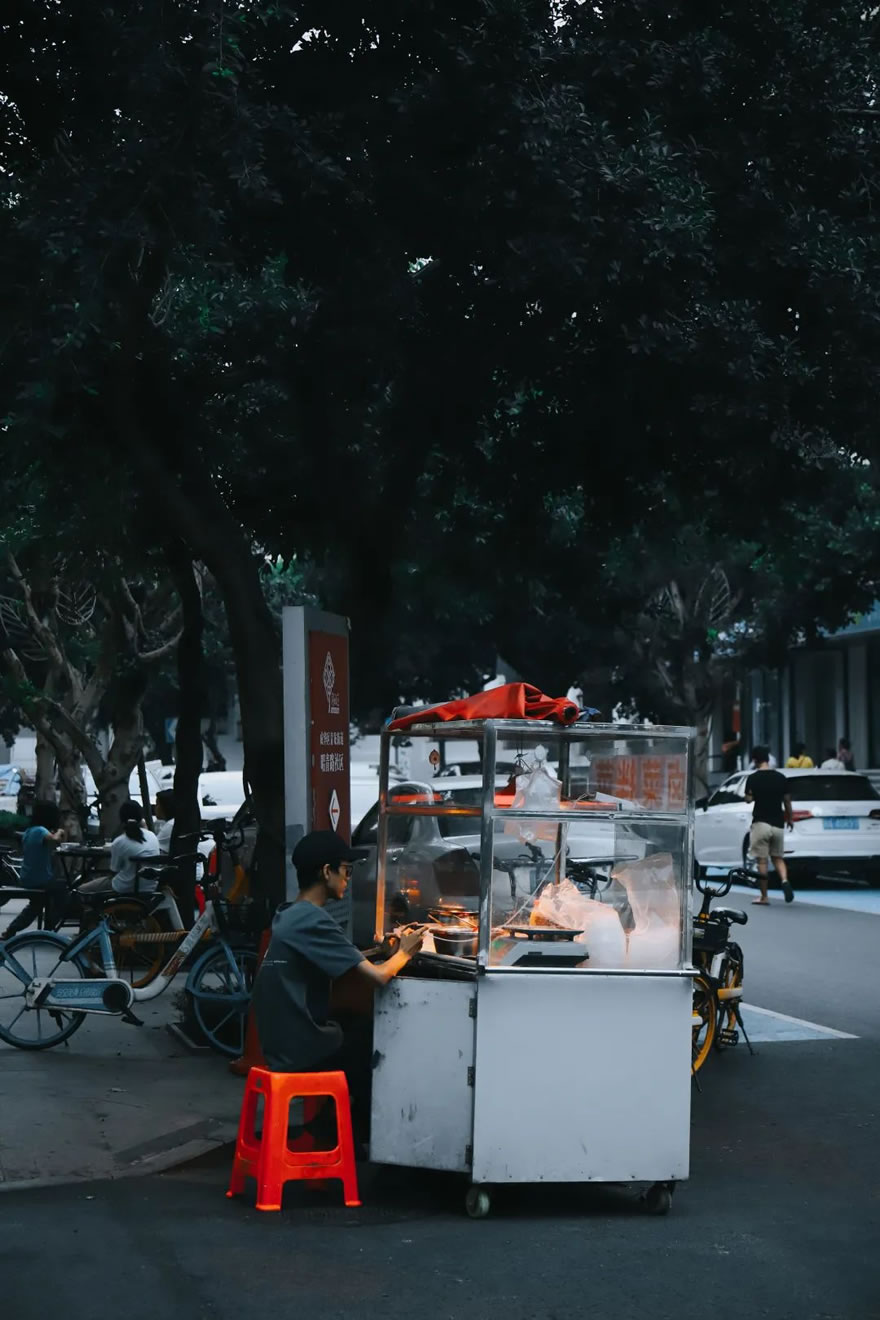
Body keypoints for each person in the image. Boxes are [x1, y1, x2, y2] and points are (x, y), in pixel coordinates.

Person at [251, 829, 425, 1139]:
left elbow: (345, 958)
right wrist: (406, 952)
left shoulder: (291, 914)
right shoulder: (312, 920)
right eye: (346, 871)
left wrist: (382, 953)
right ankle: (357, 1134)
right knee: (381, 1042)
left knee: (358, 1025)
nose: (348, 879)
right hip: (299, 1048)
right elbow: (379, 977)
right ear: (326, 871)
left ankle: (329, 1126)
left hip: (283, 1039)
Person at [0, 801, 67, 940]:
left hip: (28, 877)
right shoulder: (40, 831)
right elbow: (55, 840)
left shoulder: (30, 831)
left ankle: (12, 930)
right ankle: (50, 928)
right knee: (65, 891)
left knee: (35, 906)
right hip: (40, 879)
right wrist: (61, 831)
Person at [78, 800, 160, 895]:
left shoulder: (120, 841)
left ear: (121, 818)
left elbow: (114, 871)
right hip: (150, 887)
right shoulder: (152, 836)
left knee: (81, 889)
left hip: (123, 887)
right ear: (141, 817)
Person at [745, 747, 794, 905]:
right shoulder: (781, 777)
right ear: (767, 759)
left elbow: (748, 799)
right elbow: (787, 801)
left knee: (762, 861)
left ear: (755, 760)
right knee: (778, 858)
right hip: (778, 824)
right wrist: (790, 819)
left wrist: (751, 795)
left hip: (761, 824)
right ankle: (785, 880)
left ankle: (764, 896)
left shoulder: (753, 778)